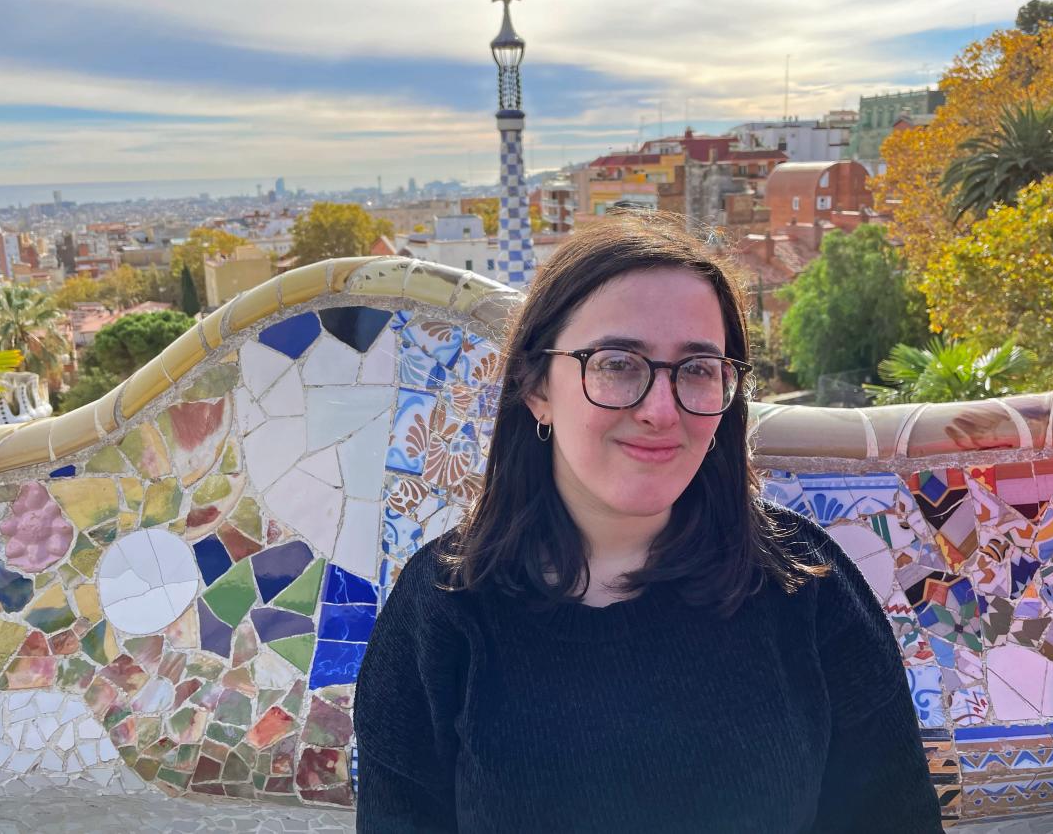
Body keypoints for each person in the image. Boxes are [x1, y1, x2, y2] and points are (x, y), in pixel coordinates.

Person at [353, 209, 942, 833]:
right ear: (536, 387)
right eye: (616, 363)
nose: (662, 410)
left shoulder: (802, 583)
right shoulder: (443, 607)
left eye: (697, 369)